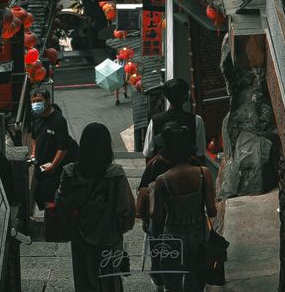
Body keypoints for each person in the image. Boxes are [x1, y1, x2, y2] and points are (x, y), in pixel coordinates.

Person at [57, 122, 136, 292]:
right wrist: (117, 229)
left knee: (84, 280)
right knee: (111, 282)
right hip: (110, 238)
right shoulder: (116, 174)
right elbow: (127, 212)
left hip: (80, 236)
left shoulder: (69, 172)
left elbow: (61, 203)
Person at [137, 122, 204, 291]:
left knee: (165, 268)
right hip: (193, 223)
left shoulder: (155, 166)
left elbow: (143, 193)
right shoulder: (197, 166)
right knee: (192, 271)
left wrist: (146, 218)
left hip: (164, 227)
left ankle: (159, 281)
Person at [151, 123, 217, 292]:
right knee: (195, 283)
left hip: (172, 237)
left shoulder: (162, 180)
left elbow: (157, 219)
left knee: (172, 285)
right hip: (199, 235)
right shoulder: (204, 173)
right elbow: (212, 211)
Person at [29, 87, 78, 211]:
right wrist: (33, 153)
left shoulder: (58, 120)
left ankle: (52, 222)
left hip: (55, 169)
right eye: (33, 101)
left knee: (51, 198)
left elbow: (63, 147)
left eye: (39, 100)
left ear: (48, 100)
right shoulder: (37, 117)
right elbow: (34, 137)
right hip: (41, 165)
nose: (36, 104)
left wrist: (53, 165)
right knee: (39, 195)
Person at [143, 78, 206, 161]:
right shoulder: (196, 120)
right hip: (188, 171)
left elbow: (148, 154)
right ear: (186, 96)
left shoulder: (155, 120)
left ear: (166, 97)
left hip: (162, 171)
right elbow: (200, 153)